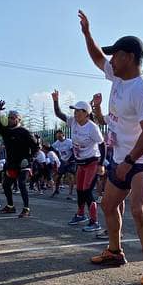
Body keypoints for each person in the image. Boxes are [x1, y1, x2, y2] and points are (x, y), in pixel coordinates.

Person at [78, 10, 143, 285]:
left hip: (141, 159)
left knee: (139, 209)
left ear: (129, 57)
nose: (111, 60)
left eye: (116, 55)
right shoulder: (117, 77)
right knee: (107, 204)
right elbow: (97, 58)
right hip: (120, 157)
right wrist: (87, 34)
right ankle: (115, 252)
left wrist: (128, 161)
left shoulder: (141, 89)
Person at [53, 91, 106, 232]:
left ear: (86, 113)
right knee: (80, 190)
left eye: (78, 111)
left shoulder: (92, 128)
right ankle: (81, 214)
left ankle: (95, 221)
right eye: (74, 111)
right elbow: (59, 114)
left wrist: (101, 165)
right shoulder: (73, 122)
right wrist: (55, 100)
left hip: (92, 162)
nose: (75, 113)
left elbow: (102, 144)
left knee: (87, 191)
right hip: (80, 163)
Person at [0, 103, 41, 218]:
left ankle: (26, 209)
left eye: (12, 118)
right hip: (12, 164)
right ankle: (10, 206)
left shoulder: (25, 132)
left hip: (24, 164)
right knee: (6, 185)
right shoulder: (6, 131)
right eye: (9, 117)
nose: (10, 120)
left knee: (22, 183)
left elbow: (36, 147)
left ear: (18, 119)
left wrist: (29, 159)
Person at [51, 128, 75, 198]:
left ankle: (70, 194)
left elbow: (74, 152)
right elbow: (51, 149)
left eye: (59, 136)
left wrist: (69, 160)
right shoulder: (56, 143)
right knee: (58, 176)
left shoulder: (69, 142)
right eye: (57, 136)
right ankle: (56, 190)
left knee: (70, 176)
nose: (58, 137)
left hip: (71, 161)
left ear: (63, 134)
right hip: (62, 161)